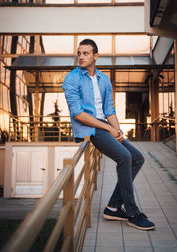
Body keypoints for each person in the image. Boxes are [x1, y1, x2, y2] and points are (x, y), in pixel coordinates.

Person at [62, 39, 155, 231]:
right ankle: (132, 212)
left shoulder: (103, 79)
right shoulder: (72, 79)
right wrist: (108, 129)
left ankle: (113, 207)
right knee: (125, 157)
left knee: (137, 158)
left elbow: (109, 109)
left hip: (104, 126)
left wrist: (117, 131)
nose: (80, 56)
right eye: (79, 53)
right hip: (89, 129)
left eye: (85, 53)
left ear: (96, 56)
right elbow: (78, 113)